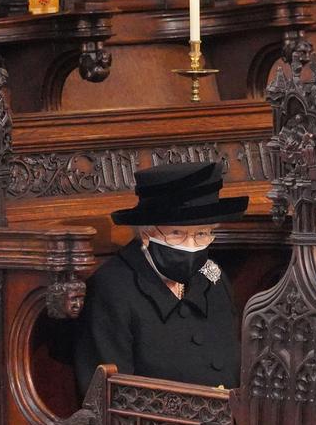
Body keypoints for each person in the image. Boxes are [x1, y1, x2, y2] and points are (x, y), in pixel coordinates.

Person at [74, 161, 248, 398]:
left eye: (201, 234)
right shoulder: (113, 288)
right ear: (146, 233)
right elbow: (109, 398)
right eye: (177, 233)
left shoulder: (213, 277)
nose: (191, 246)